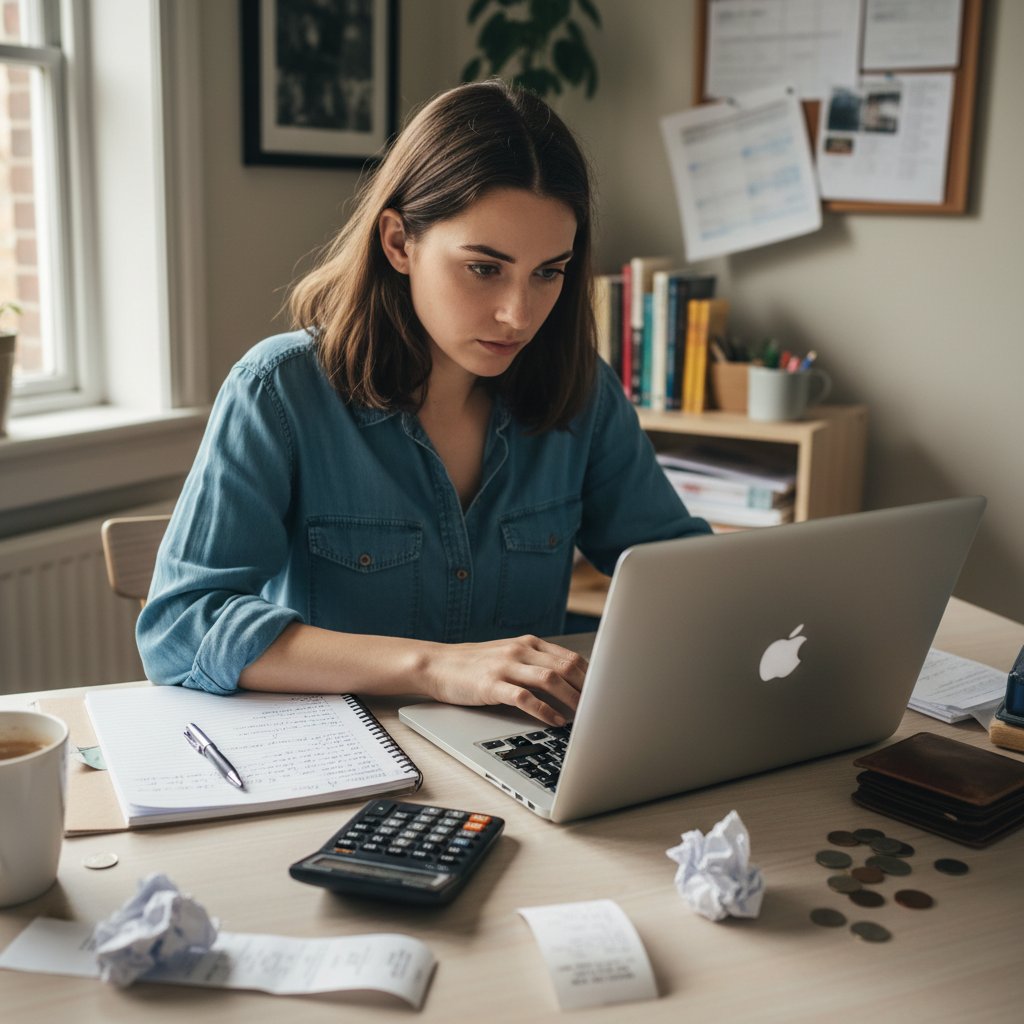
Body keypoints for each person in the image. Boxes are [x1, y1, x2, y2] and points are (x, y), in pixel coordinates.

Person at [137, 80, 711, 726]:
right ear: (398, 243)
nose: (519, 314)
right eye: (484, 268)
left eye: (548, 272)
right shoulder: (278, 391)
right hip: (347, 757)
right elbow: (181, 626)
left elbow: (683, 577)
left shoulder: (583, 393)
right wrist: (435, 666)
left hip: (523, 751)